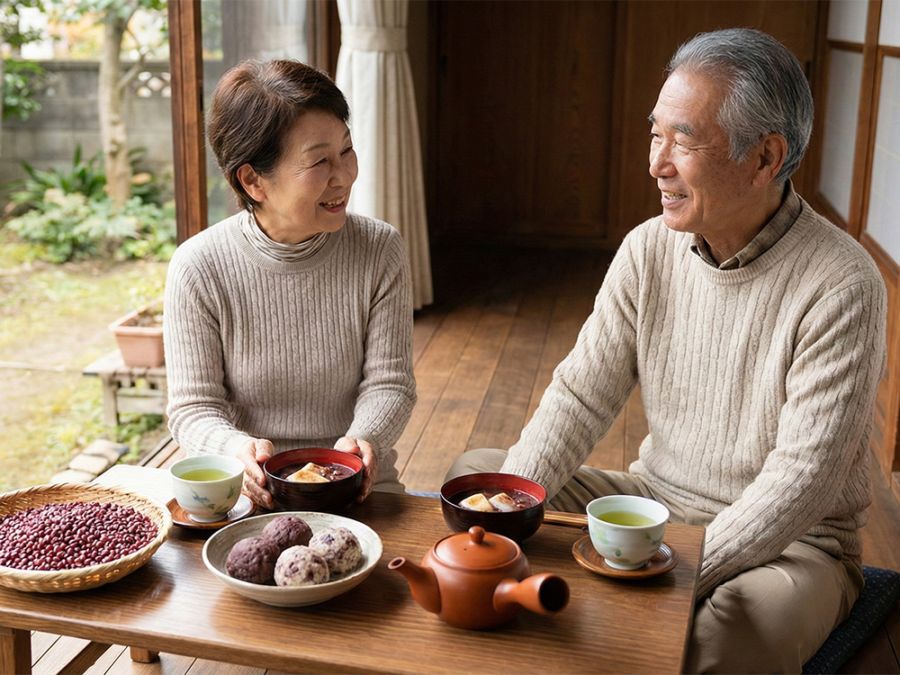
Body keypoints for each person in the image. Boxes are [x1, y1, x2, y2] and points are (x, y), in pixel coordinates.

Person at [445, 28, 886, 673]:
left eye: (685, 140)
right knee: (485, 481)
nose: (657, 163)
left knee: (724, 641)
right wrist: (511, 516)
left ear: (766, 159)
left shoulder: (842, 283)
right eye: (657, 134)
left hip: (796, 544)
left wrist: (670, 569)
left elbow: (804, 480)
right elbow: (581, 392)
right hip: (654, 500)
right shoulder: (647, 249)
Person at [164, 59, 416, 509]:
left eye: (347, 150)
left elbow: (390, 383)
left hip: (356, 484)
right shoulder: (198, 266)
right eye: (319, 161)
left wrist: (360, 442)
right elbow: (193, 408)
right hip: (246, 492)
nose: (345, 175)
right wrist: (233, 452)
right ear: (253, 180)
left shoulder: (380, 249)